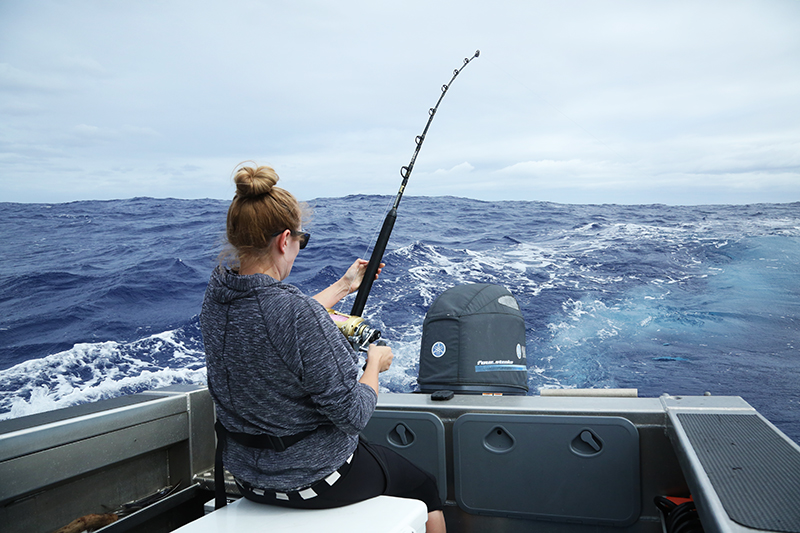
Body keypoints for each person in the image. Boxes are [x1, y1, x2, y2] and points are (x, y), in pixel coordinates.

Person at [200, 163, 446, 532]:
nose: (299, 246)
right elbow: (353, 416)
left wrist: (345, 285)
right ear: (285, 240)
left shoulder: (217, 297)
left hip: (247, 478)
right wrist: (374, 365)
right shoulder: (294, 313)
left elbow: (275, 320)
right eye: (302, 240)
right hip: (313, 482)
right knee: (425, 487)